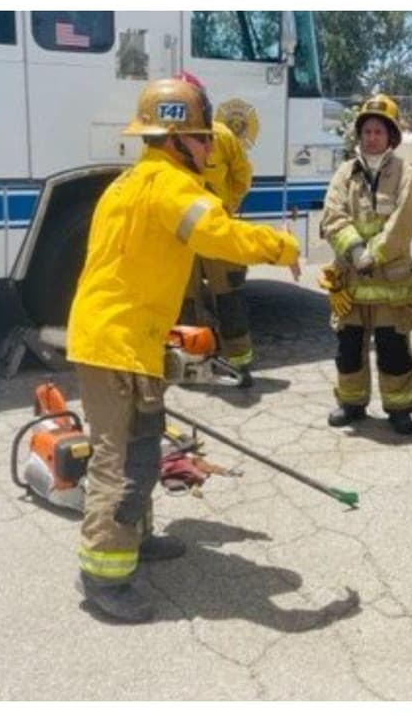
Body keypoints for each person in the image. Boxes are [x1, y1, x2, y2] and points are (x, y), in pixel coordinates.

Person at [66, 78, 300, 623]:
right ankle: (104, 575)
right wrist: (283, 245)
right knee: (119, 460)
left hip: (117, 340)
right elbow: (221, 235)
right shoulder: (172, 187)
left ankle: (134, 538)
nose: (209, 149)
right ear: (178, 139)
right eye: (202, 138)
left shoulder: (126, 183)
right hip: (118, 346)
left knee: (140, 447)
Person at [321, 94, 412, 435]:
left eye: (379, 131)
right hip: (350, 282)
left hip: (390, 286)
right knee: (349, 349)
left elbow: (403, 223)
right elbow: (333, 217)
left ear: (391, 136)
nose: (371, 137)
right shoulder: (344, 174)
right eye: (366, 131)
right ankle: (351, 403)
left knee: (394, 351)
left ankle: (399, 409)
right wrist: (354, 252)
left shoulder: (405, 174)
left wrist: (373, 254)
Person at [173, 72, 258, 383]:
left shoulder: (221, 136)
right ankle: (191, 362)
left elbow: (241, 175)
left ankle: (239, 361)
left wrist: (228, 206)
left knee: (230, 295)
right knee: (186, 301)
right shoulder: (167, 141)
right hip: (183, 237)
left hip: (219, 232)